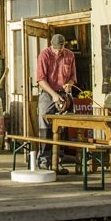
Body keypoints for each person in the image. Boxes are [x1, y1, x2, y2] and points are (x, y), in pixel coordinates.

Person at [35, 34, 77, 173]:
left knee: (62, 127)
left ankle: (58, 161)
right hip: (48, 93)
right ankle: (44, 160)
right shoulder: (44, 55)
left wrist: (69, 84)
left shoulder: (70, 55)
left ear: (64, 45)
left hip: (63, 93)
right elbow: (40, 80)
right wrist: (53, 95)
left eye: (61, 48)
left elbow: (72, 77)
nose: (58, 51)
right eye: (55, 48)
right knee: (45, 124)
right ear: (51, 45)